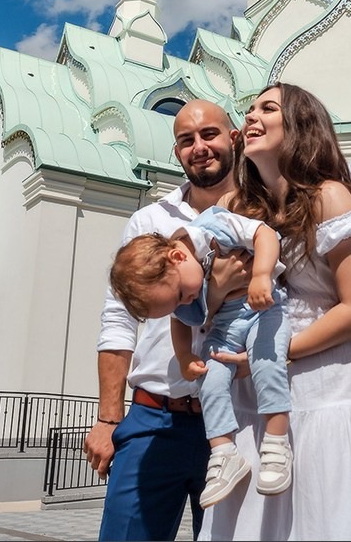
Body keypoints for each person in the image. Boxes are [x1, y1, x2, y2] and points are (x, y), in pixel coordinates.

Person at [200, 82, 351, 542]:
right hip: (257, 394)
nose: (250, 118)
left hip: (330, 385)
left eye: (267, 108)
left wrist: (275, 353)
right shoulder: (235, 207)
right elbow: (205, 305)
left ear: (301, 125)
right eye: (248, 110)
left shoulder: (330, 197)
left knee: (322, 520)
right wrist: (218, 288)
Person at [83, 100, 250, 541]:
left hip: (237, 422)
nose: (200, 146)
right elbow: (118, 319)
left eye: (209, 134)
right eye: (186, 140)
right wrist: (107, 417)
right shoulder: (149, 219)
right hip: (156, 417)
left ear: (233, 137)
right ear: (176, 152)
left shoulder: (262, 216)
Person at [108, 205, 293, 508]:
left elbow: (264, 234)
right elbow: (179, 320)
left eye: (181, 294)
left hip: (264, 310)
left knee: (266, 360)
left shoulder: (215, 224)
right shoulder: (180, 283)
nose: (186, 302)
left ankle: (276, 442)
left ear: (178, 257)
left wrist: (260, 275)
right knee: (211, 376)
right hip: (225, 328)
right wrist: (183, 357)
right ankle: (224, 452)